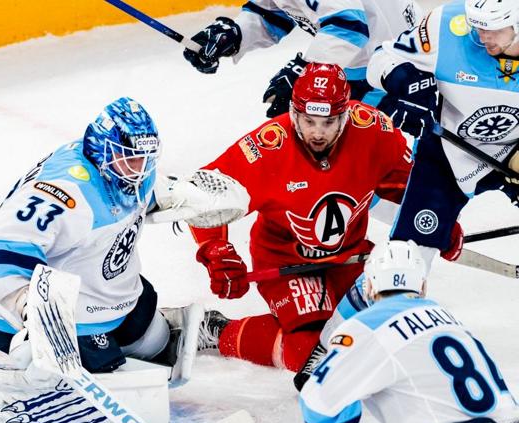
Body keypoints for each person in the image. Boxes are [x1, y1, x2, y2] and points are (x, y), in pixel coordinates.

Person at [181, 62, 415, 374]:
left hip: (351, 255)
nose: (317, 133)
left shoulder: (373, 131)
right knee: (310, 353)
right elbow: (202, 194)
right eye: (309, 121)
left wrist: (434, 219)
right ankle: (219, 330)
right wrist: (216, 251)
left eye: (328, 122)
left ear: (345, 114)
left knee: (397, 328)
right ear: (294, 113)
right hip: (285, 261)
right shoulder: (266, 147)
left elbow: (406, 184)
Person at [0, 96, 204, 379]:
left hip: (101, 291)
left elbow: (130, 196)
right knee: (105, 368)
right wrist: (30, 309)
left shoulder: (123, 169)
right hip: (49, 313)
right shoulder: (64, 192)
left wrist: (175, 193)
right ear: (104, 149)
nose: (140, 169)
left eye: (145, 159)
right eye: (131, 159)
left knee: (150, 329)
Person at [299, 239, 519, 423]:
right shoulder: (450, 322)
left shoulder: (368, 326)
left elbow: (319, 401)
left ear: (369, 287)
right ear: (422, 287)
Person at [367, 0, 519, 268]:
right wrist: (402, 80)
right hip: (448, 152)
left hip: (513, 148)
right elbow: (381, 59)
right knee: (407, 255)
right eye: (477, 25)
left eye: (493, 28)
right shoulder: (446, 26)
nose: (482, 36)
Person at [182, 0, 420, 116]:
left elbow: (349, 26)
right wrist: (235, 34)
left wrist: (303, 72)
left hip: (392, 66)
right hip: (364, 61)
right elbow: (274, 12)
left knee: (360, 165)